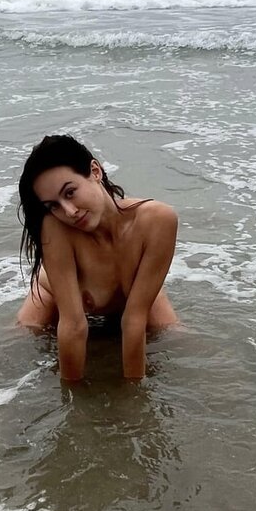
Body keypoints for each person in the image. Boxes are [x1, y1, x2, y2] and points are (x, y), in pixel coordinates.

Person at [17, 134, 178, 381]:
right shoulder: (56, 230)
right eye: (53, 206)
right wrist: (72, 397)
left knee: (176, 339)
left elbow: (133, 319)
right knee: (22, 340)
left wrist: (135, 394)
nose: (69, 212)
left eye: (70, 192)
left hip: (136, 299)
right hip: (54, 294)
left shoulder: (158, 221)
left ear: (95, 171)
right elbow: (74, 325)